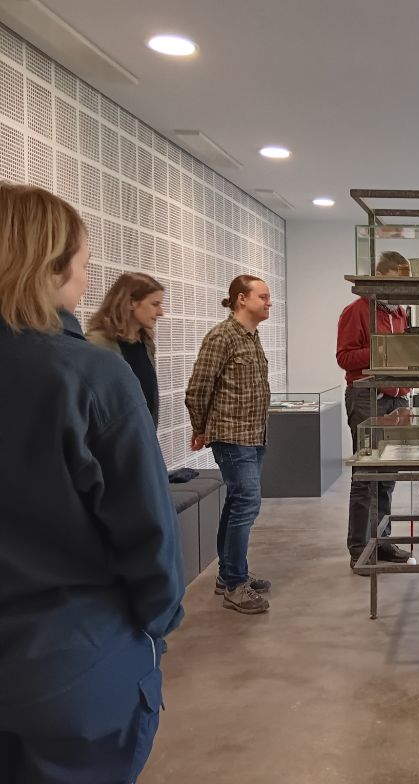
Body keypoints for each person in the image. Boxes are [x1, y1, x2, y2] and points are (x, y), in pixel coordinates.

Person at [0, 183, 184, 781]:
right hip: (68, 661)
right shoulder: (86, 372)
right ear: (52, 267)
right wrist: (158, 621)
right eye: (81, 264)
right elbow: (148, 531)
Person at [185, 274, 273, 614]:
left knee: (238, 502)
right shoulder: (221, 337)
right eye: (263, 297)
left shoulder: (252, 337)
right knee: (247, 503)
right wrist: (201, 426)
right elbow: (198, 387)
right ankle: (236, 584)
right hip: (232, 436)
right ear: (241, 299)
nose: (269, 302)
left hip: (253, 435)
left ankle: (229, 575)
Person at [337, 250, 412, 566]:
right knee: (367, 475)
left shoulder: (400, 314)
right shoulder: (357, 310)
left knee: (389, 476)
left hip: (397, 399)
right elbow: (345, 357)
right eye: (398, 281)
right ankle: (359, 549)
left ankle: (382, 541)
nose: (404, 289)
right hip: (367, 397)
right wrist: (383, 351)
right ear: (381, 278)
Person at [86, 272, 165, 428]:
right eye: (155, 304)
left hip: (142, 438)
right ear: (131, 303)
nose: (161, 312)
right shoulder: (97, 345)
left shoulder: (146, 343)